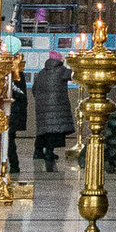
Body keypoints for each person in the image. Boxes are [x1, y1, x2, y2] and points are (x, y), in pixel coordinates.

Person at [30, 40, 74, 172]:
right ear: (60, 60)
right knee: (53, 131)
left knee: (43, 129)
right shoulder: (62, 70)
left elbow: (34, 89)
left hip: (42, 106)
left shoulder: (42, 72)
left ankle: (38, 151)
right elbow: (75, 75)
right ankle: (49, 153)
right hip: (57, 106)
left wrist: (41, 100)